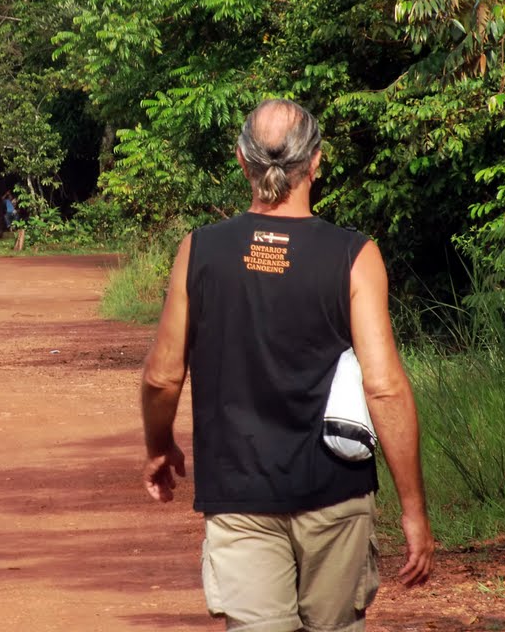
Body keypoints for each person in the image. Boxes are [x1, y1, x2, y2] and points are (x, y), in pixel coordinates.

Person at [140, 99, 434, 632]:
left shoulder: (200, 251)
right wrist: (413, 509)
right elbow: (385, 388)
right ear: (316, 162)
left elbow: (162, 376)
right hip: (336, 492)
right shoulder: (355, 255)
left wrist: (159, 447)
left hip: (239, 496)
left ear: (241, 161)